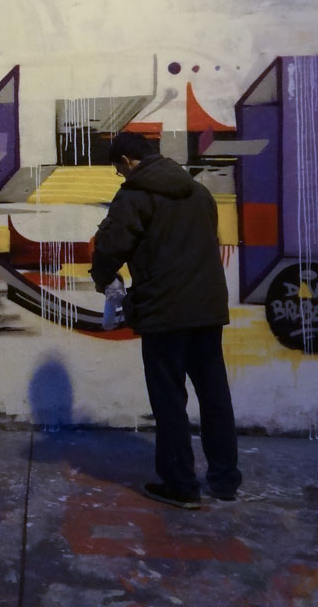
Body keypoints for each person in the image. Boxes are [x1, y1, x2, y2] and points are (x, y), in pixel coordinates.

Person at [91, 132, 241, 510]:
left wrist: (104, 278)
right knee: (214, 394)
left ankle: (180, 484)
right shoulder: (199, 192)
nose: (120, 175)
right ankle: (224, 480)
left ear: (127, 161)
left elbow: (110, 246)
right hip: (207, 308)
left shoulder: (135, 196)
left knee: (169, 399)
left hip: (165, 311)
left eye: (118, 169)